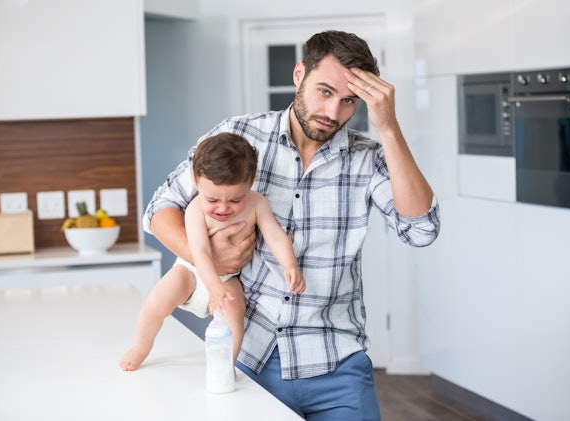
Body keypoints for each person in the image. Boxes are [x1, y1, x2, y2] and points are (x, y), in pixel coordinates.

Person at [143, 30, 440, 420]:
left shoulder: (370, 157)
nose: (333, 112)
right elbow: (159, 210)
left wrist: (388, 129)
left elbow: (421, 229)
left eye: (350, 101)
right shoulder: (240, 135)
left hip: (339, 365)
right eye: (325, 91)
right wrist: (208, 261)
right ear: (299, 73)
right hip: (249, 358)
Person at [120, 132, 305, 372]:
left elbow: (274, 235)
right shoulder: (195, 209)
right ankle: (141, 346)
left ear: (251, 183)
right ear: (196, 183)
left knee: (235, 318)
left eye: (235, 200)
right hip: (190, 270)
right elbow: (200, 253)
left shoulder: (257, 203)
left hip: (227, 279)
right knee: (155, 303)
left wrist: (290, 265)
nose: (223, 208)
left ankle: (226, 367)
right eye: (213, 199)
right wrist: (212, 287)